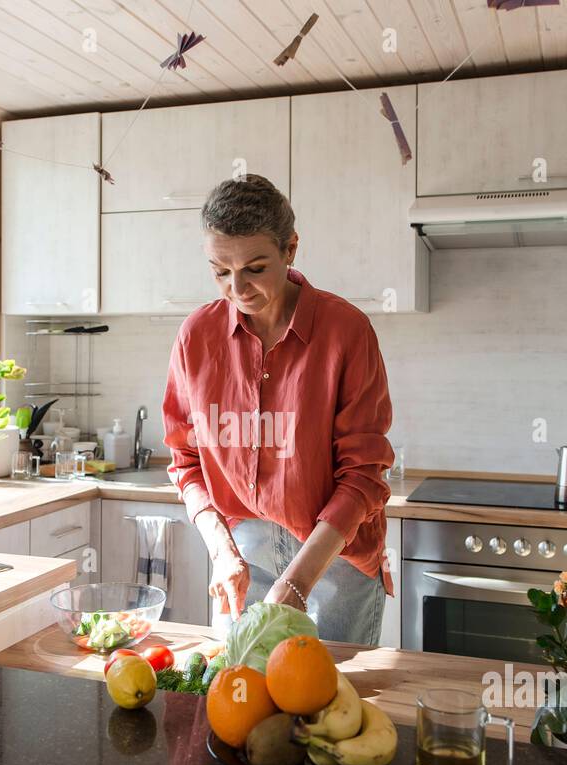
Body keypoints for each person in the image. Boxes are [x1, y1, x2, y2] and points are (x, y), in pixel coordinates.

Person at [161, 174, 395, 645]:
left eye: (255, 267)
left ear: (290, 249)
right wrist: (222, 551)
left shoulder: (345, 331)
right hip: (243, 552)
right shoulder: (196, 336)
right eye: (220, 271)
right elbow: (186, 463)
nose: (237, 289)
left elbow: (364, 476)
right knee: (241, 702)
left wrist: (297, 581)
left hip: (334, 558)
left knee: (328, 708)